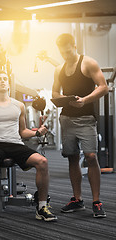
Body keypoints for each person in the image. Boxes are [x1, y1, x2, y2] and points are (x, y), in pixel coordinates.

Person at [0, 70, 57, 226]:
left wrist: (37, 132)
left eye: (5, 79)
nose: (2, 81)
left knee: (42, 161)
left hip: (16, 144)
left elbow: (23, 131)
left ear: (8, 83)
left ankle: (42, 207)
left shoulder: (19, 105)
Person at [52, 33, 108, 218]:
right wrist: (62, 99)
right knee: (72, 157)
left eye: (68, 51)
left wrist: (85, 100)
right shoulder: (59, 68)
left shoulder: (88, 63)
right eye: (62, 52)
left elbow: (103, 86)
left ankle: (96, 201)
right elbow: (54, 90)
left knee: (91, 156)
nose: (65, 55)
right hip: (67, 118)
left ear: (74, 46)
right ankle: (77, 199)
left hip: (86, 119)